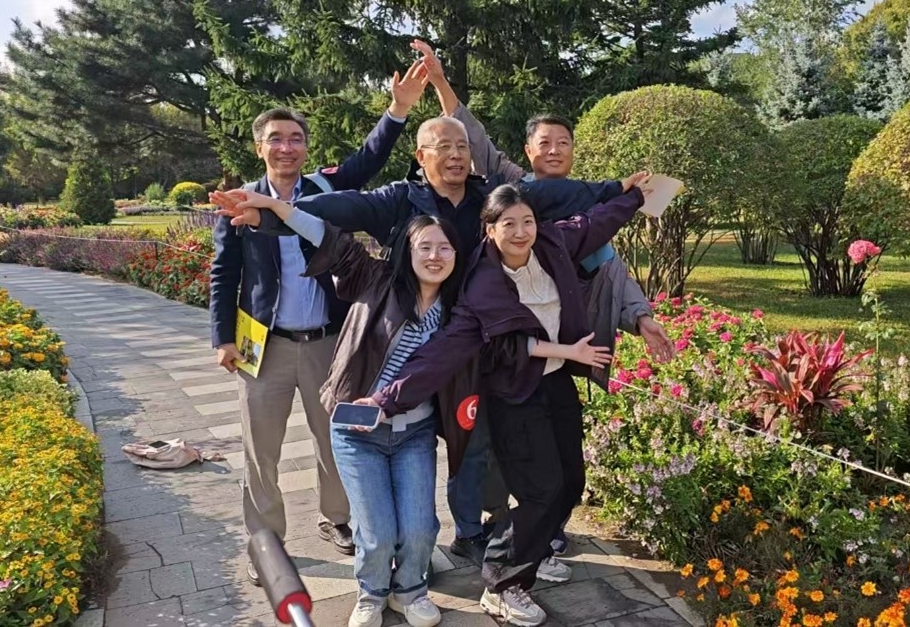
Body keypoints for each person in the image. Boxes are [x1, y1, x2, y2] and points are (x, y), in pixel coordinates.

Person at [234, 113, 641, 568]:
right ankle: (432, 539)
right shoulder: (400, 199)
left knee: (485, 440)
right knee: (428, 439)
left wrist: (616, 190)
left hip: (486, 343)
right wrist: (271, 214)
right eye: (443, 147)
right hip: (420, 344)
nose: (455, 155)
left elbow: (552, 195)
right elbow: (339, 210)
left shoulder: (488, 196)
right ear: (421, 156)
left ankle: (496, 530)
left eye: (462, 147)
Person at [411, 39, 676, 554]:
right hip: (496, 343)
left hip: (555, 354)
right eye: (545, 143)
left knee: (545, 449)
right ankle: (481, 530)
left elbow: (611, 269)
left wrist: (642, 317)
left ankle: (535, 530)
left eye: (563, 142)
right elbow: (473, 137)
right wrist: (440, 82)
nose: (554, 150)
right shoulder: (512, 187)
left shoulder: (588, 202)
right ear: (528, 150)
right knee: (480, 439)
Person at [360, 180, 649, 626]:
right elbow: (444, 353)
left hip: (556, 383)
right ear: (489, 229)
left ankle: (533, 549)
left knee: (571, 482)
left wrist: (635, 197)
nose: (520, 232)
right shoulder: (481, 283)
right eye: (508, 224)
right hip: (514, 394)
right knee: (540, 490)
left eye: (527, 221)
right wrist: (387, 399)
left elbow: (596, 222)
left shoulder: (552, 242)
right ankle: (501, 584)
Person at [209, 61, 429, 585]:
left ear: (306, 147)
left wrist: (397, 109)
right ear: (259, 147)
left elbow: (367, 160)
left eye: (296, 139)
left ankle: (337, 517)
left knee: (335, 437)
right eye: (276, 139)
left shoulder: (325, 188)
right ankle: (267, 540)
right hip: (263, 343)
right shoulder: (239, 201)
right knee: (261, 448)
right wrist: (222, 337)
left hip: (330, 341)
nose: (286, 147)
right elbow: (224, 272)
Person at [214, 187, 472, 627]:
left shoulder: (458, 308)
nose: (435, 256)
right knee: (376, 532)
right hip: (357, 433)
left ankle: (410, 590)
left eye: (444, 247)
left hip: (415, 432)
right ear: (406, 251)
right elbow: (330, 239)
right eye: (424, 246)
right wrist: (277, 210)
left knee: (419, 528)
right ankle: (372, 592)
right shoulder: (377, 279)